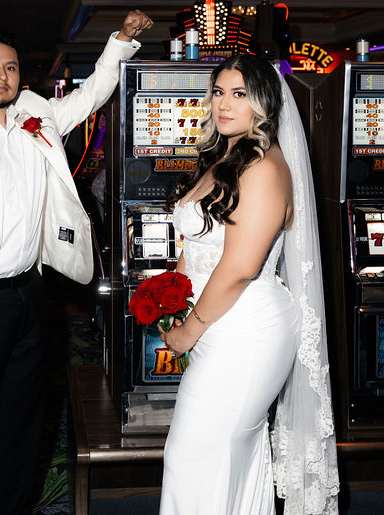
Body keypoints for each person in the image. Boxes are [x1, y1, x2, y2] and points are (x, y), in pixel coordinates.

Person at [0, 9, 152, 514]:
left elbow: (89, 97)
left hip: (30, 294)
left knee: (22, 420)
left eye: (11, 67)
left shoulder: (34, 112)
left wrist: (121, 40)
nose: (2, 77)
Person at [159, 55, 339, 514]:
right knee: (224, 457)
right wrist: (170, 295)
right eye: (219, 92)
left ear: (263, 102)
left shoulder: (262, 168)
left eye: (239, 94)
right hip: (218, 316)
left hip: (245, 328)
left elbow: (239, 266)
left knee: (193, 457)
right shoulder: (224, 156)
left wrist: (187, 329)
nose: (224, 104)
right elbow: (197, 244)